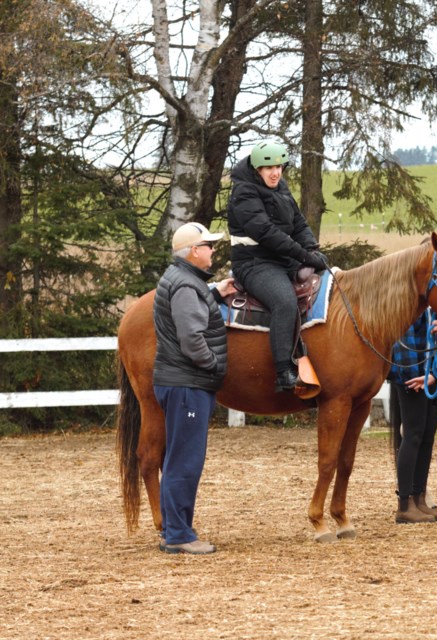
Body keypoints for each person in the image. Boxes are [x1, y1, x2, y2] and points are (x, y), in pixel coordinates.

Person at [153, 222, 237, 554]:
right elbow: (190, 337)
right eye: (209, 246)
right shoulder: (186, 286)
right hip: (187, 383)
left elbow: (190, 305)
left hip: (179, 381)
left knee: (180, 457)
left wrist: (215, 291)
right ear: (193, 252)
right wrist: (213, 364)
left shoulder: (183, 280)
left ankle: (177, 528)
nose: (213, 251)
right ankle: (178, 536)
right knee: (185, 460)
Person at [227, 140, 329, 392]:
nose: (275, 172)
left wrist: (312, 249)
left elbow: (298, 222)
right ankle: (284, 372)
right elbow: (267, 233)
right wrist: (304, 257)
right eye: (268, 168)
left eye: (279, 167)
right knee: (284, 301)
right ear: (256, 169)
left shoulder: (280, 187)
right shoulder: (243, 193)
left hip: (282, 259)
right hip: (254, 263)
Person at [389, 309, 437, 524]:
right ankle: (404, 504)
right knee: (413, 435)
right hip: (414, 377)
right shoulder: (411, 307)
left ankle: (419, 497)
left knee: (427, 436)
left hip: (435, 375)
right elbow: (404, 343)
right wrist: (414, 375)